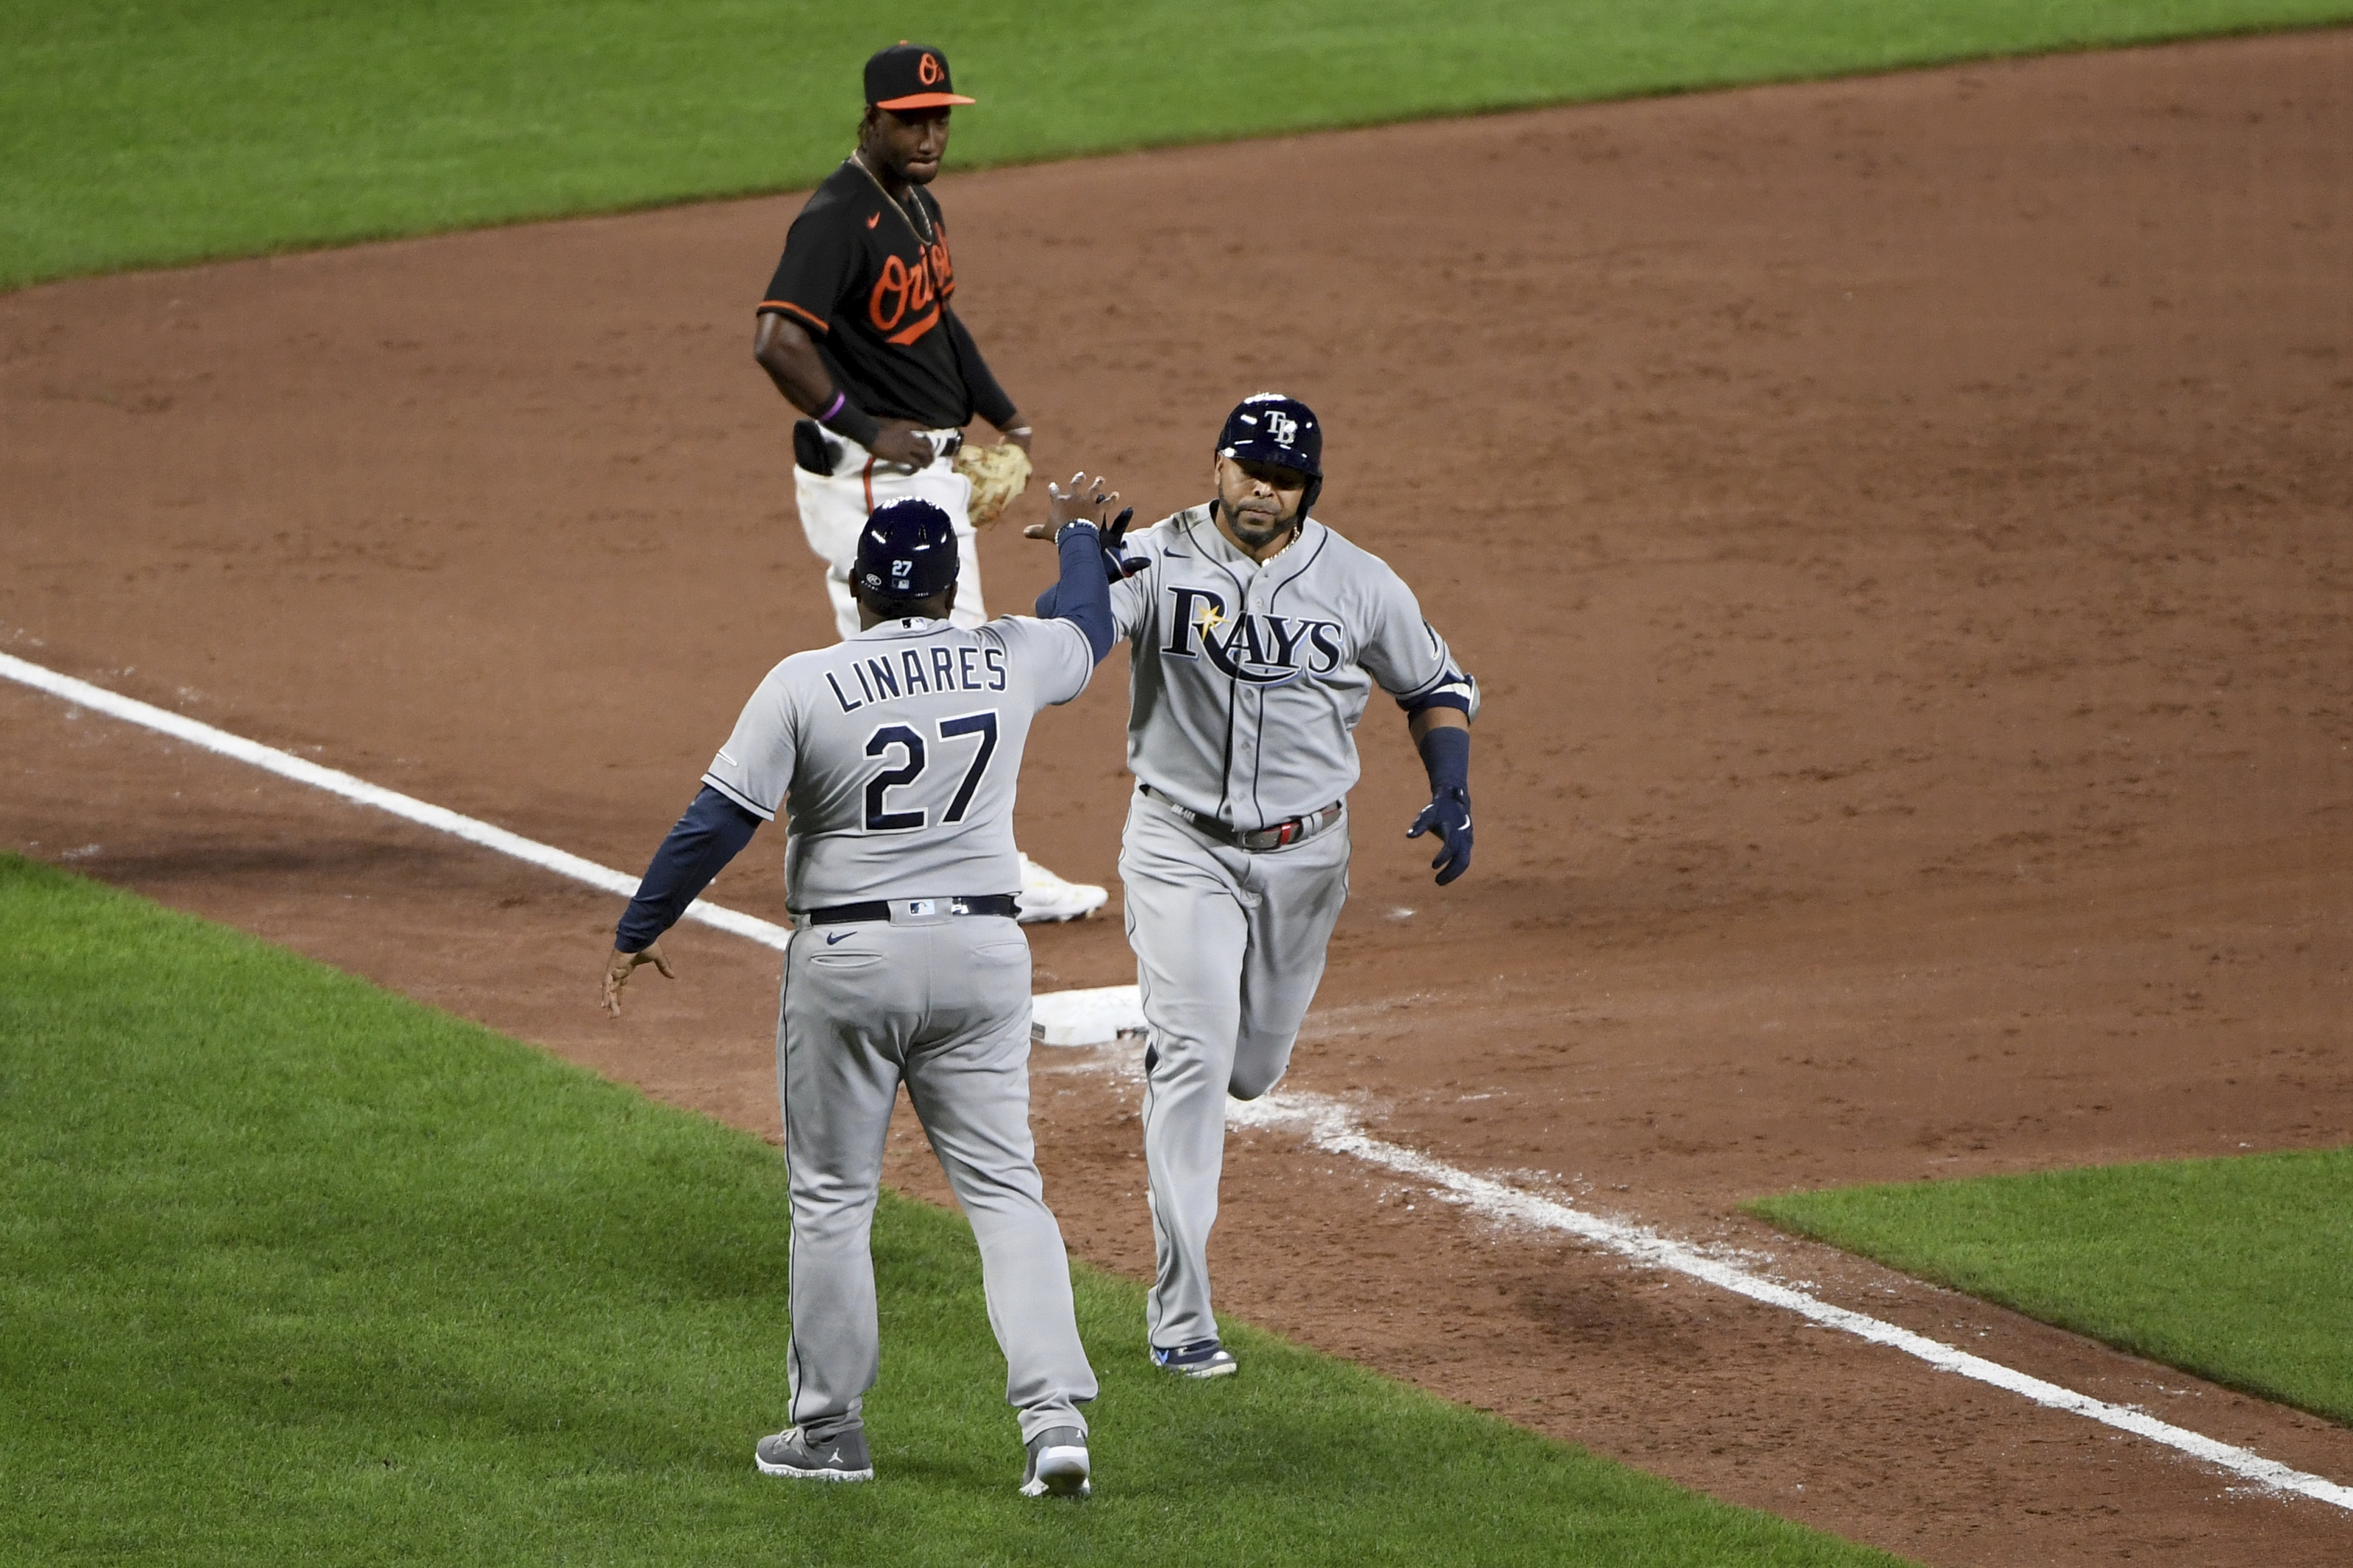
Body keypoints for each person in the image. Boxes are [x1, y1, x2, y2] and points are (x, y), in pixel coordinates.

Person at [601, 481, 1129, 1496]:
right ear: (951, 589)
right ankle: (1055, 1422)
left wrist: (641, 927)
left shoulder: (804, 681)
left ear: (857, 588)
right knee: (1005, 1189)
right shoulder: (1008, 654)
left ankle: (830, 1431)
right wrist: (1078, 542)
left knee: (834, 1198)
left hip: (848, 963)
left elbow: (718, 819)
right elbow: (1089, 625)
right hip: (983, 954)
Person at [1033, 395, 1477, 1378]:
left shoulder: (1358, 582)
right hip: (1178, 847)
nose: (1263, 492)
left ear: (1307, 490)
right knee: (1194, 1061)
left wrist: (1451, 786)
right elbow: (1068, 647)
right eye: (1248, 471)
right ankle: (1182, 1317)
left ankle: (1197, 1036)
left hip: (1305, 860)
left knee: (1250, 1071)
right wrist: (1081, 557)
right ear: (1217, 466)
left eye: (1284, 480)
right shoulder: (1152, 557)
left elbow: (1435, 685)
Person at [751, 40, 1104, 925]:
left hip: (921, 477)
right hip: (875, 482)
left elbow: (937, 323)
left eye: (939, 118)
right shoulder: (835, 218)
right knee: (938, 672)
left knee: (939, 672)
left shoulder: (916, 206)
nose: (929, 135)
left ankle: (931, 858)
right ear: (871, 120)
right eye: (911, 122)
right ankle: (965, 869)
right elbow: (777, 341)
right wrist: (868, 429)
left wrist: (1007, 420)